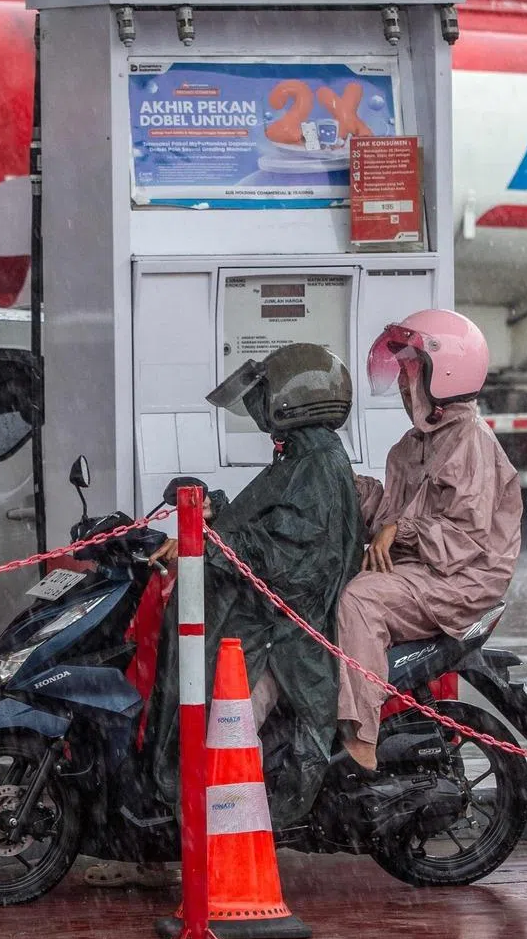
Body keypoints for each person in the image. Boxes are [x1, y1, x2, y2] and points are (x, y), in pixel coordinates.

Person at [84, 342, 363, 889]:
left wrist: (211, 544)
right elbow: (267, 523)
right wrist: (212, 513)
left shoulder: (317, 467)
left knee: (221, 724)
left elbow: (290, 557)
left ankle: (227, 838)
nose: (258, 415)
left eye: (264, 402)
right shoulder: (302, 460)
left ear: (293, 404)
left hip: (283, 634)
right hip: (262, 619)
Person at [337, 309, 522, 771]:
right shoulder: (411, 445)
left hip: (460, 581)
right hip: (420, 571)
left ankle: (360, 740)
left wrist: (401, 530)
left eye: (410, 370)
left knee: (361, 600)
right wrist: (338, 485)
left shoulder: (471, 444)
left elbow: (466, 538)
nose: (402, 382)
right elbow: (388, 517)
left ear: (447, 373)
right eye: (400, 370)